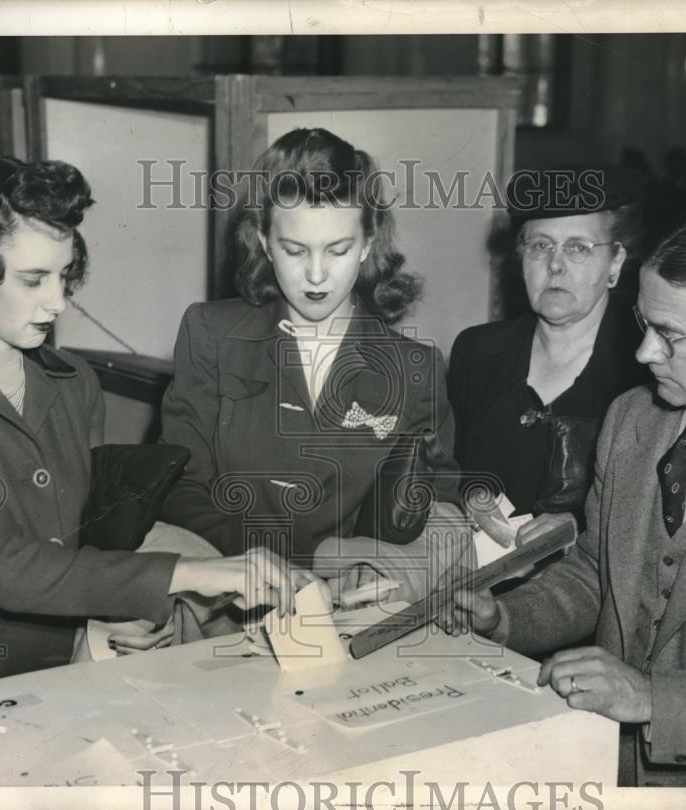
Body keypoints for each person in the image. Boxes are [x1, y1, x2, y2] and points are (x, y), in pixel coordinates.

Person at [0, 157, 308, 683]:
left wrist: (104, 624)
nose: (58, 302)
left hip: (85, 666)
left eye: (64, 275)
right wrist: (186, 572)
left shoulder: (73, 381)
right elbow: (7, 567)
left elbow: (86, 538)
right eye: (33, 279)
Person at [450, 209, 686, 787]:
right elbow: (595, 575)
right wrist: (506, 617)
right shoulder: (633, 419)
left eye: (670, 335)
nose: (644, 352)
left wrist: (652, 699)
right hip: (599, 771)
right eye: (643, 323)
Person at [159, 128, 466, 592]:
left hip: (348, 606)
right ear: (263, 239)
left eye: (338, 250)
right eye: (295, 250)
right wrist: (271, 561)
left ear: (367, 244)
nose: (317, 275)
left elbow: (429, 502)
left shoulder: (415, 368)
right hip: (226, 590)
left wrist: (378, 572)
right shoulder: (211, 334)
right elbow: (179, 484)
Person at [448, 166, 647, 543]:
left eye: (578, 248)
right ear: (520, 257)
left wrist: (579, 526)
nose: (555, 264)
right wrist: (468, 494)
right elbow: (443, 465)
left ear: (616, 262)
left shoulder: (645, 368)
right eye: (540, 245)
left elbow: (648, 508)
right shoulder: (477, 351)